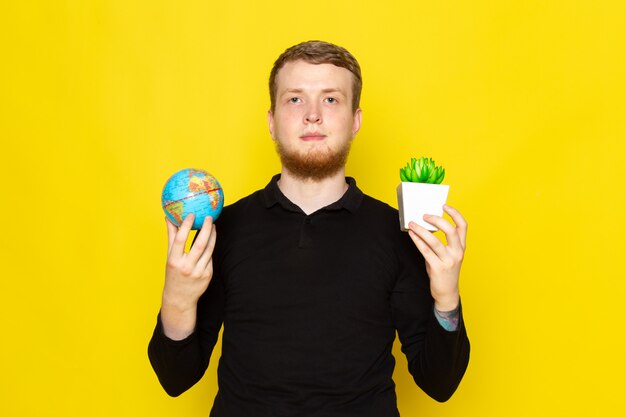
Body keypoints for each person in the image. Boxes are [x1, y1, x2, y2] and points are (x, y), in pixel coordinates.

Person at [148, 40, 470, 417]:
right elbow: (176, 380)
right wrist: (177, 298)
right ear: (271, 121)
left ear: (356, 121)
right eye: (295, 99)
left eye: (331, 99)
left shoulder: (397, 232)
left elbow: (439, 384)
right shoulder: (223, 229)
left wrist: (446, 297)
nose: (312, 115)